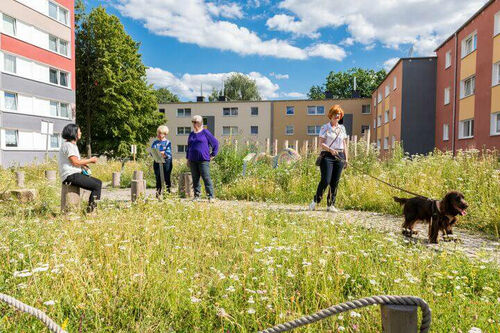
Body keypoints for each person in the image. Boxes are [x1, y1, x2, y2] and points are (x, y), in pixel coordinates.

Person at [309, 105, 349, 212]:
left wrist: (346, 159)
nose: (337, 116)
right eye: (335, 114)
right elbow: (321, 143)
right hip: (327, 155)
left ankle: (330, 205)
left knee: (335, 182)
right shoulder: (325, 127)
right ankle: (315, 201)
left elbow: (344, 144)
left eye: (339, 114)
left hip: (340, 156)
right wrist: (330, 149)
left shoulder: (342, 128)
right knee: (326, 180)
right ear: (330, 115)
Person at [58, 124, 102, 213]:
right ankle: (91, 211)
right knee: (97, 185)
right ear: (73, 133)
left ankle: (91, 209)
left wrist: (83, 165)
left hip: (72, 174)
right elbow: (75, 162)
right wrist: (90, 160)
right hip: (70, 175)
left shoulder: (70, 145)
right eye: (79, 131)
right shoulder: (69, 145)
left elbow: (74, 161)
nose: (81, 133)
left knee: (97, 182)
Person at [186, 115, 219, 201]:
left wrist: (213, 154)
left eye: (196, 122)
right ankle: (197, 196)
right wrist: (187, 158)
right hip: (192, 159)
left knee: (206, 177)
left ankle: (211, 196)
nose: (194, 123)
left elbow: (215, 143)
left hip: (203, 159)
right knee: (195, 178)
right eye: (193, 122)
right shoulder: (191, 134)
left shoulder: (205, 132)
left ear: (200, 123)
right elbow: (189, 147)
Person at [151, 125, 172, 196]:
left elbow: (168, 153)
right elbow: (153, 151)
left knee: (167, 178)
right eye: (158, 133)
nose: (158, 135)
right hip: (157, 161)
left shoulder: (168, 142)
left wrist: (163, 153)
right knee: (158, 178)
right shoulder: (155, 143)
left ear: (165, 134)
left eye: (160, 133)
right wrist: (160, 153)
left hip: (166, 162)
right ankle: (158, 194)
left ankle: (167, 194)